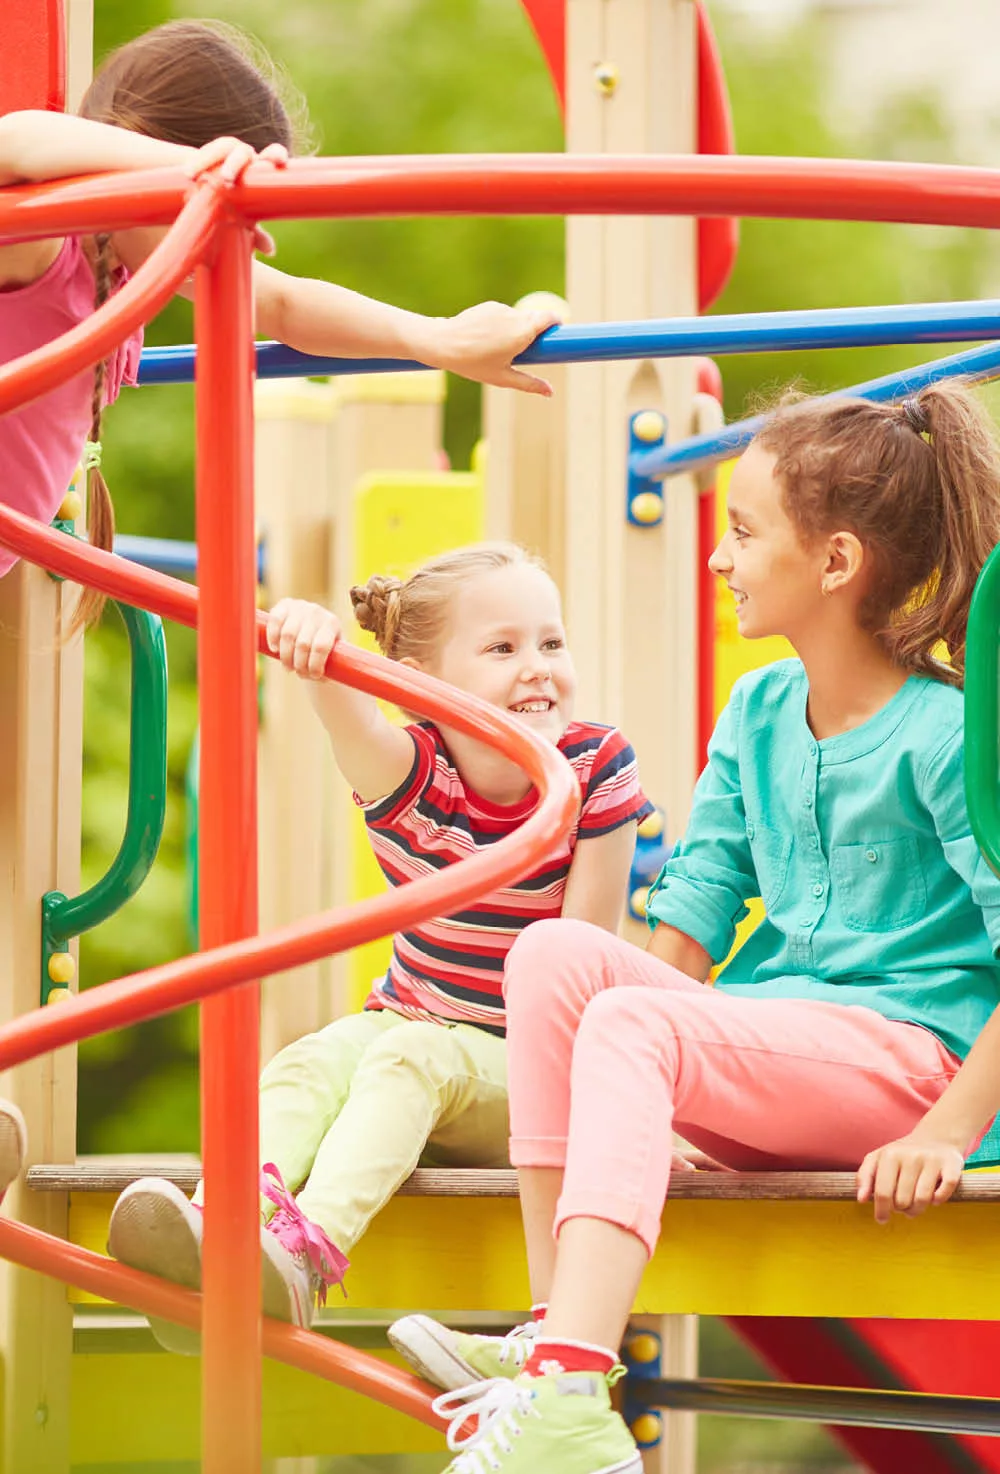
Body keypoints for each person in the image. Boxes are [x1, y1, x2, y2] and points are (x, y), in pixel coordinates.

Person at [386, 383, 1000, 1474]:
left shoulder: (945, 736)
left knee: (632, 1023)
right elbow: (688, 920)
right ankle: (553, 1341)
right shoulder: (759, 710)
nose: (718, 558)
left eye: (742, 531)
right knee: (555, 956)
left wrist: (944, 1132)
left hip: (911, 1066)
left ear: (836, 564)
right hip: (779, 1047)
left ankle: (571, 1389)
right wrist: (643, 1069)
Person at [107, 541, 652, 1348]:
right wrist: (313, 646)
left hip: (530, 1066)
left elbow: (577, 962)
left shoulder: (593, 768)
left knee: (409, 1059)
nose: (538, 666)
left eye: (551, 642)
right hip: (414, 1021)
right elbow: (343, 709)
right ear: (427, 686)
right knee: (312, 1057)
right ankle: (221, 1228)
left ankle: (302, 1260)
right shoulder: (412, 776)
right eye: (503, 648)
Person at [0, 20, 560, 625]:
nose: (216, 245)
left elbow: (284, 305)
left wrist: (436, 339)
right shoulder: (44, 243)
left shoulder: (133, 266)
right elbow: (13, 141)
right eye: (215, 219)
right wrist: (189, 170)